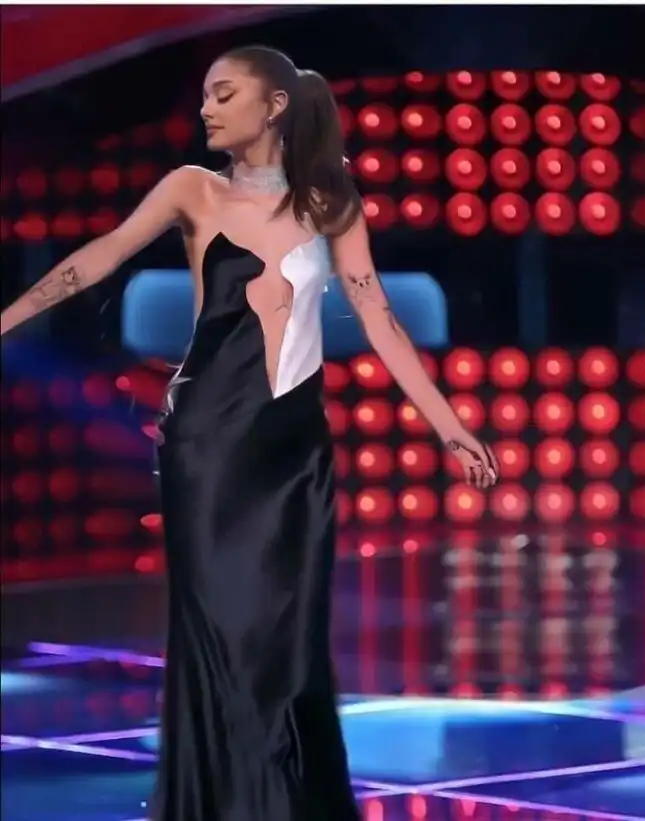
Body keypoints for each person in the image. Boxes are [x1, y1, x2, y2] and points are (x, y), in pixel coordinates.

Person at [1, 46, 499, 821]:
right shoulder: (191, 188)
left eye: (223, 94)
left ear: (273, 107)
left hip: (294, 454)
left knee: (287, 640)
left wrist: (450, 426)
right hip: (209, 446)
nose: (206, 108)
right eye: (205, 95)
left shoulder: (330, 203)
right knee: (220, 632)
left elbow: (379, 319)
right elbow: (96, 260)